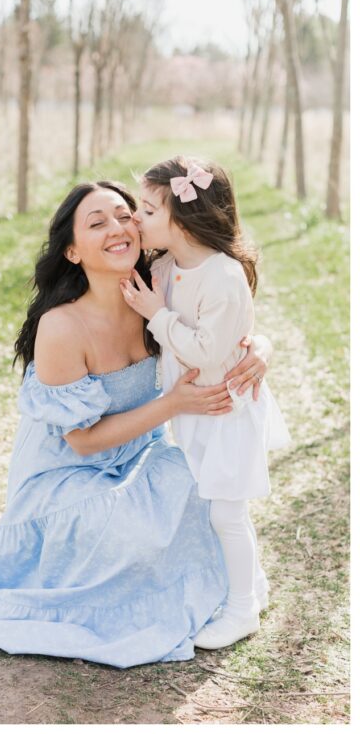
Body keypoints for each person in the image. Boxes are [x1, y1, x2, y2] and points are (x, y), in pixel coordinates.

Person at [0, 180, 271, 668]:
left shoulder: (155, 289)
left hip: (139, 454)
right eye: (97, 223)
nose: (118, 228)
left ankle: (225, 595)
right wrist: (174, 404)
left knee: (200, 489)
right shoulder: (62, 326)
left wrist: (262, 347)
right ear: (73, 252)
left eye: (125, 216)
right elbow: (82, 442)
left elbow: (222, 321)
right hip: (67, 475)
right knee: (130, 529)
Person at [121, 156, 289, 649]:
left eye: (148, 211)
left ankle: (241, 612)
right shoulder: (168, 266)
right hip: (198, 409)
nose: (136, 219)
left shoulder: (223, 276)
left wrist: (156, 313)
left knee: (226, 513)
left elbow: (205, 349)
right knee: (223, 507)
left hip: (227, 409)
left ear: (183, 219)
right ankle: (252, 586)